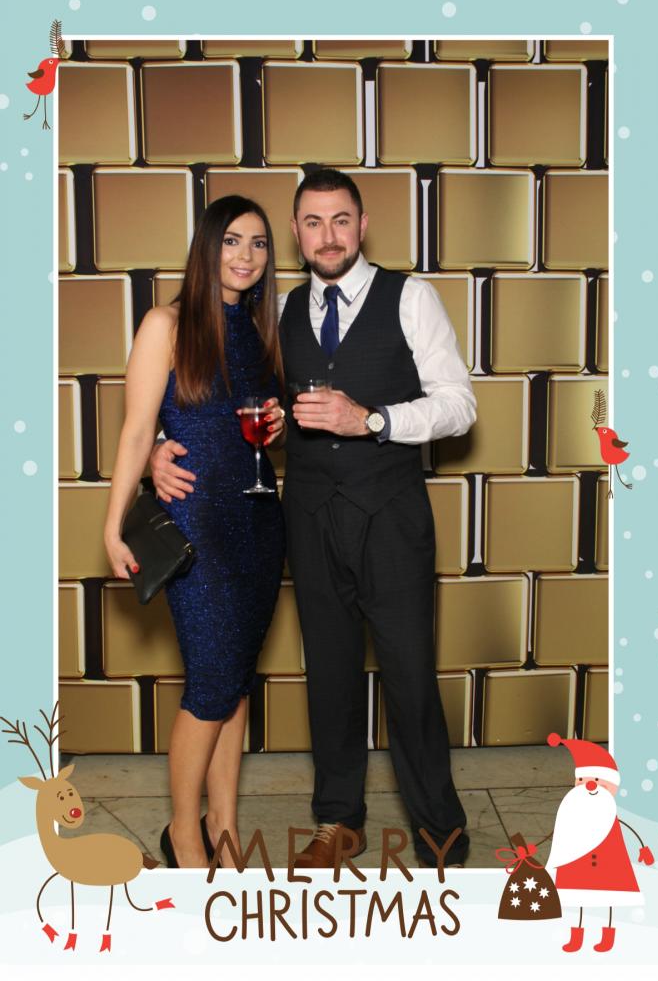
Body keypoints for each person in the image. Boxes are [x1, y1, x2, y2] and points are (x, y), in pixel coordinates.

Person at [152, 169, 476, 868]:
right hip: (305, 516)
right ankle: (338, 820)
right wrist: (157, 445)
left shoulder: (410, 297)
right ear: (296, 234)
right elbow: (214, 390)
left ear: (362, 226)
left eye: (340, 220)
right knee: (328, 672)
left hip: (390, 517)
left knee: (410, 677)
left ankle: (437, 828)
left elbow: (459, 405)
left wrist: (374, 419)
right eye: (312, 222)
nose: (327, 236)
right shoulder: (278, 311)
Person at [104, 195, 286, 869]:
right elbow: (135, 432)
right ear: (207, 247)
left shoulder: (261, 330)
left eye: (259, 243)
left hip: (259, 524)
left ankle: (224, 830)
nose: (245, 255)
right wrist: (114, 525)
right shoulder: (167, 324)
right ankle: (184, 836)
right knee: (211, 686)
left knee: (235, 684)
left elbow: (256, 430)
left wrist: (277, 426)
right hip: (197, 528)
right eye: (232, 240)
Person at [545, 733, 654, 953]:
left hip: (609, 863)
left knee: (610, 900)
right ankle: (577, 936)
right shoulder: (573, 812)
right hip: (578, 863)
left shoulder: (610, 813)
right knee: (579, 900)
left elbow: (629, 827)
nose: (589, 785)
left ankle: (608, 936)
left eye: (597, 780)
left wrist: (644, 849)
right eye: (583, 780)